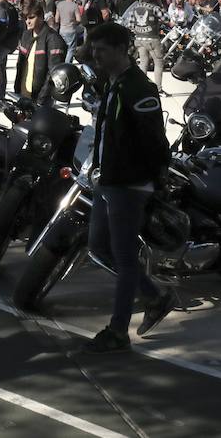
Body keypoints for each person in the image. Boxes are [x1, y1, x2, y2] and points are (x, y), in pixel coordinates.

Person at [78, 21, 174, 352]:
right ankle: (155, 296)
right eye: (94, 49)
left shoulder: (138, 88)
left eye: (102, 50)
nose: (96, 56)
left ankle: (118, 332)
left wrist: (150, 178)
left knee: (124, 256)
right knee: (99, 248)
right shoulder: (112, 82)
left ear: (121, 50)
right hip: (108, 179)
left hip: (129, 184)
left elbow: (155, 142)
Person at [14, 1, 65, 101]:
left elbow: (53, 72)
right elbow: (20, 65)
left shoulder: (53, 38)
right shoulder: (26, 35)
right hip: (23, 94)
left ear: (41, 16)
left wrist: (42, 98)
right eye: (25, 18)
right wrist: (17, 89)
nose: (28, 21)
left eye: (31, 17)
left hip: (41, 97)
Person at [120, 0, 166, 95]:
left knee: (143, 63)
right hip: (153, 39)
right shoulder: (154, 8)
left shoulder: (135, 7)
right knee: (158, 63)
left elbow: (130, 25)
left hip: (139, 39)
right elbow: (166, 18)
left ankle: (142, 86)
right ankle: (158, 89)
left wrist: (139, 29)